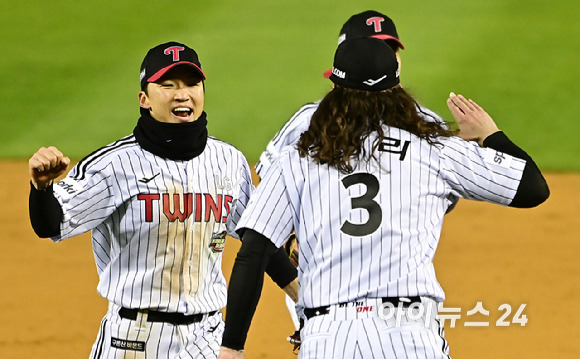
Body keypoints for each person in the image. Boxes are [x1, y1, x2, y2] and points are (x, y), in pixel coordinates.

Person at [218, 38, 549, 358]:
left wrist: (232, 345)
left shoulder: (298, 157)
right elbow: (533, 188)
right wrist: (490, 134)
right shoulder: (432, 148)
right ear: (396, 88)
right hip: (409, 332)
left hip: (328, 335)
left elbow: (254, 251)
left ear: (334, 89)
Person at [28, 41, 296, 358]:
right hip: (132, 339)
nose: (182, 94)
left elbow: (259, 239)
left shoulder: (229, 162)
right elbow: (50, 223)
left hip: (205, 338)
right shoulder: (113, 165)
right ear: (144, 99)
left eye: (192, 83)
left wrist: (306, 303)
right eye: (168, 85)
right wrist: (41, 188)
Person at [256, 10, 458, 350]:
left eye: (390, 49)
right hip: (324, 288)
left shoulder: (424, 122)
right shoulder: (308, 120)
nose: (383, 56)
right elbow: (267, 198)